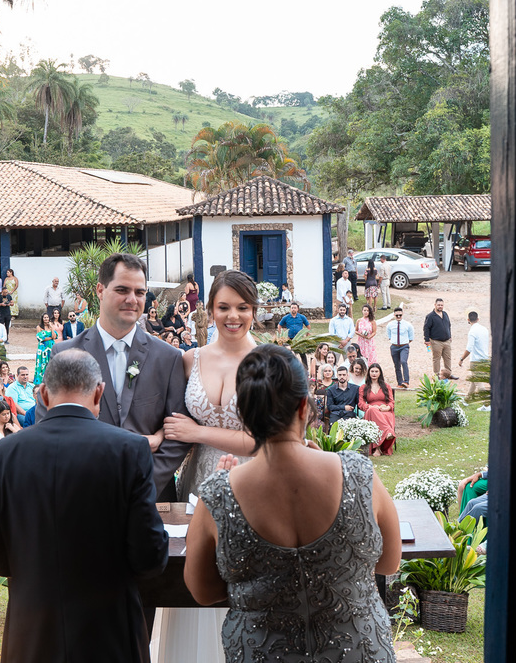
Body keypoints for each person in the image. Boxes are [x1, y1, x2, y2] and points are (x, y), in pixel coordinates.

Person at [183, 344, 400, 662]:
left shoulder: (219, 494)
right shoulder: (357, 473)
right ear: (304, 407)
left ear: (243, 414)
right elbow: (388, 563)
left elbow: (203, 591)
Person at [0, 349, 169, 663]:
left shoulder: (3, 454)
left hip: (31, 633)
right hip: (109, 632)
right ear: (98, 391)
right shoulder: (130, 449)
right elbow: (150, 554)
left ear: (44, 395)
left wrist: (29, 567)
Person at [156, 270, 261, 663]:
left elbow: (263, 439)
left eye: (242, 307)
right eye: (224, 307)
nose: (233, 316)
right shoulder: (190, 359)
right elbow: (167, 420)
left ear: (254, 311)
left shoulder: (267, 362)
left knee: (243, 574)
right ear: (209, 310)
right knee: (196, 568)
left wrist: (197, 432)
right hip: (197, 482)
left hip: (252, 481)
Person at [46, 252, 190, 502]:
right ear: (100, 290)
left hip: (150, 498)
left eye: (140, 292)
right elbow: (50, 429)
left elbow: (178, 435)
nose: (132, 300)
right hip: (85, 495)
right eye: (122, 290)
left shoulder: (168, 358)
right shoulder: (65, 354)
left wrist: (142, 486)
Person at [360, 363, 397, 455]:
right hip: (370, 411)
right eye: (372, 371)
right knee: (372, 411)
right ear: (369, 373)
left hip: (385, 411)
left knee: (380, 417)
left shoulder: (386, 386)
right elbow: (361, 403)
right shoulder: (363, 387)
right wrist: (370, 406)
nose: (374, 373)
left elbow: (391, 402)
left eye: (376, 371)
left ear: (380, 373)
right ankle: (388, 432)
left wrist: (387, 408)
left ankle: (377, 449)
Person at [458, 311, 490, 397]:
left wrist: (461, 359)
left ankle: (486, 404)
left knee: (478, 382)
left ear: (468, 320)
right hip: (485, 359)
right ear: (478, 319)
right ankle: (467, 399)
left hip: (476, 360)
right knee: (474, 380)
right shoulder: (485, 329)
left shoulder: (472, 332)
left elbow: (469, 348)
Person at [423, 298, 456, 379]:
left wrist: (450, 335)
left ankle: (448, 374)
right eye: (439, 305)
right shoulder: (430, 316)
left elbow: (449, 325)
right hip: (436, 341)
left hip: (447, 341)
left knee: (448, 358)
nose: (440, 306)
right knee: (436, 359)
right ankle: (437, 375)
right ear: (435, 305)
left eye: (441, 305)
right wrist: (426, 340)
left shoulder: (445, 314)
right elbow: (426, 328)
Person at [387, 306, 414, 388]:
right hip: (394, 346)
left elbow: (411, 338)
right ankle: (399, 382)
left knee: (403, 361)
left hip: (404, 346)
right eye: (397, 315)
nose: (398, 317)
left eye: (400, 315)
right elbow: (389, 336)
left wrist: (404, 343)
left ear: (402, 314)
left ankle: (406, 381)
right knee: (396, 365)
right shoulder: (390, 325)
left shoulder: (408, 325)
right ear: (394, 315)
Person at [33, 312, 56, 384]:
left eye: (47, 317)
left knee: (50, 363)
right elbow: (41, 338)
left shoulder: (51, 326)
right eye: (44, 317)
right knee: (42, 363)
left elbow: (54, 336)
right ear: (42, 319)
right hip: (43, 348)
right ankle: (40, 381)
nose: (46, 319)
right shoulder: (39, 327)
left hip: (50, 348)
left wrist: (51, 328)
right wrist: (50, 338)